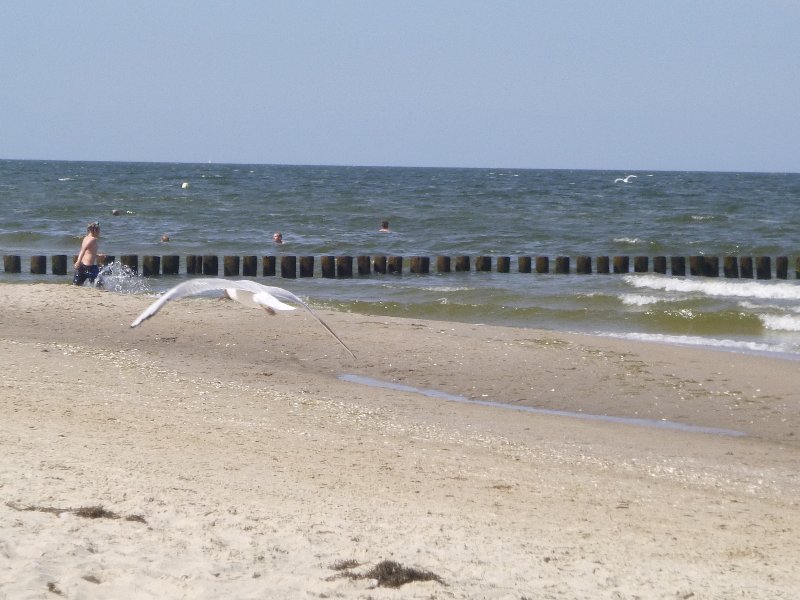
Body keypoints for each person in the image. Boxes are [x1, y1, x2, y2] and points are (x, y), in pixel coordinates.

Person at [72, 222, 104, 286]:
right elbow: (83, 250)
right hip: (88, 268)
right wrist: (78, 262)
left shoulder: (86, 238)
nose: (99, 232)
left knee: (76, 285)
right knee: (100, 283)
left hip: (82, 267)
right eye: (99, 231)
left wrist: (97, 255)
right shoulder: (92, 239)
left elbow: (88, 252)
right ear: (94, 231)